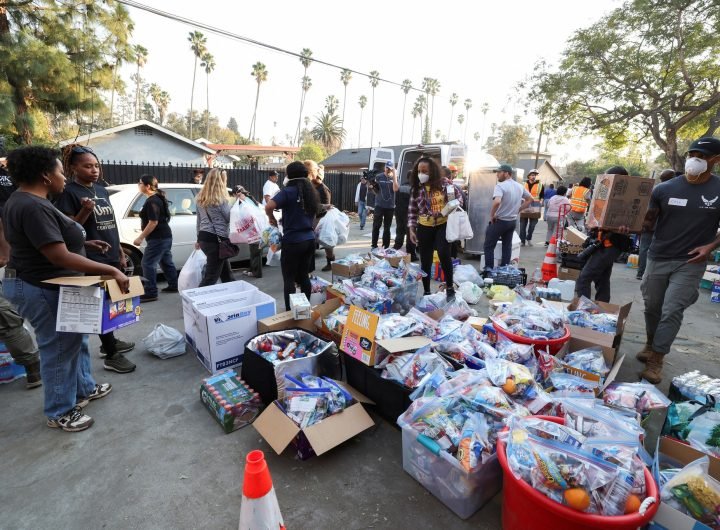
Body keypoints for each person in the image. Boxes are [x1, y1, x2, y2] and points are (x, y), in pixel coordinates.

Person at [3, 146, 128, 431]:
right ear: (46, 176)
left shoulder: (28, 201)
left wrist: (85, 244)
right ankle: (60, 410)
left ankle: (84, 388)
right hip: (40, 286)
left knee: (75, 339)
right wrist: (111, 269)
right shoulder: (31, 205)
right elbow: (57, 255)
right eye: (60, 172)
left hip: (51, 282)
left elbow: (48, 242)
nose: (63, 177)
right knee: (59, 347)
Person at [637, 137, 720, 384]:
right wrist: (626, 224)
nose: (695, 159)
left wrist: (711, 246)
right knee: (652, 306)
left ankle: (656, 360)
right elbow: (647, 224)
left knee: (672, 310)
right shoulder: (664, 189)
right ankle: (651, 343)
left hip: (691, 262)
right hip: (658, 256)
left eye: (702, 155)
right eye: (692, 153)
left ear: (716, 160)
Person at [55, 144, 136, 374]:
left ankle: (109, 341)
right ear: (73, 168)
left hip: (110, 253)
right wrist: (86, 211)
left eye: (96, 166)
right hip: (90, 257)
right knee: (99, 304)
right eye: (87, 166)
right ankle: (111, 354)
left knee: (110, 301)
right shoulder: (69, 192)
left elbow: (111, 223)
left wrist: (120, 251)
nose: (94, 170)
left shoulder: (100, 189)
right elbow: (70, 231)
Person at [0, 154, 41, 388]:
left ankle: (31, 367)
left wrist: (5, 255)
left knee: (7, 320)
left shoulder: (8, 182)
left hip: (11, 265)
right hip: (13, 265)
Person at [265, 161, 322, 311]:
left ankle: (290, 313)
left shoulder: (288, 191)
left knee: (289, 279)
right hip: (309, 240)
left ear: (289, 175)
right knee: (304, 276)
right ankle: (304, 311)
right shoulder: (311, 191)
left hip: (293, 241)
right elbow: (318, 213)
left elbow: (269, 206)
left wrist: (271, 218)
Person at [407, 157, 464, 300]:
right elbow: (412, 211)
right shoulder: (416, 188)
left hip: (443, 224)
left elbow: (458, 199)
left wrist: (445, 210)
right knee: (425, 260)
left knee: (444, 253)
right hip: (424, 227)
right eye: (419, 171)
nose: (421, 174)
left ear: (432, 171)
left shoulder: (444, 184)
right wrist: (412, 230)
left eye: (425, 171)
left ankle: (450, 287)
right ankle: (427, 291)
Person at [575, 166, 633, 303]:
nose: (607, 180)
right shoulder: (607, 193)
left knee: (584, 278)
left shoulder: (627, 198)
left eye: (610, 178)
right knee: (602, 279)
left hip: (611, 244)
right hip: (602, 242)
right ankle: (602, 310)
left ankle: (584, 312)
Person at [133, 175, 178, 302]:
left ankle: (151, 292)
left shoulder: (152, 201)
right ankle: (174, 285)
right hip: (164, 236)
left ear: (147, 186)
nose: (138, 185)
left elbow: (153, 222)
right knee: (165, 261)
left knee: (147, 263)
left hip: (158, 238)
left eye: (140, 183)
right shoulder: (157, 198)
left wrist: (140, 238)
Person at [484, 164, 533, 269]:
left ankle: (489, 271)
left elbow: (497, 201)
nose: (497, 174)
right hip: (512, 221)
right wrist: (518, 209)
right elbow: (530, 199)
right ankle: (504, 270)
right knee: (507, 247)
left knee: (488, 246)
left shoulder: (500, 186)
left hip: (500, 221)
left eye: (499, 172)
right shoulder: (519, 186)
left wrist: (492, 215)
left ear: (506, 173)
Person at [195, 168, 235, 286]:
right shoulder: (221, 200)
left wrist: (198, 239)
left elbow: (199, 221)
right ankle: (197, 300)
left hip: (204, 238)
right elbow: (229, 218)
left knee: (225, 272)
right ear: (222, 181)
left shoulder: (199, 198)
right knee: (210, 277)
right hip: (216, 240)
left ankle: (232, 289)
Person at [636, 169, 676, 279]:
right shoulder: (673, 191)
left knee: (644, 249)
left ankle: (641, 273)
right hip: (662, 227)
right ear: (672, 178)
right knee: (656, 251)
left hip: (648, 225)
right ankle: (651, 274)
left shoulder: (654, 189)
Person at [306, 161, 334, 272]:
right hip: (314, 218)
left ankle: (330, 262)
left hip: (322, 219)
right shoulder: (311, 187)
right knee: (316, 242)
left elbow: (327, 206)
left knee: (327, 243)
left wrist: (318, 218)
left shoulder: (323, 189)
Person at [234, 185, 263, 278]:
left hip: (253, 228)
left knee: (255, 252)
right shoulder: (250, 197)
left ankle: (257, 273)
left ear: (237, 194)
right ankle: (252, 270)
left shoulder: (243, 201)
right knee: (255, 251)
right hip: (258, 227)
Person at [370, 161, 399, 249]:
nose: (388, 170)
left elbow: (395, 189)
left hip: (390, 207)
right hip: (379, 205)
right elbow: (376, 191)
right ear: (384, 168)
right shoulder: (379, 177)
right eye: (387, 168)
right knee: (376, 226)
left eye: (390, 168)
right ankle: (374, 245)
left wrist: (394, 176)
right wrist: (372, 187)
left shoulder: (395, 178)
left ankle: (385, 246)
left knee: (387, 227)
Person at [394, 170, 417, 260]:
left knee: (399, 231)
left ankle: (396, 249)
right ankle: (411, 255)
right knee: (410, 233)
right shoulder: (414, 188)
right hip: (409, 214)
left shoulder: (401, 186)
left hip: (399, 212)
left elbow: (395, 200)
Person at [519, 169, 544, 246]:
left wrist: (541, 203)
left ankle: (529, 238)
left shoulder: (540, 185)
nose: (534, 176)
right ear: (528, 176)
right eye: (532, 175)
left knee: (532, 225)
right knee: (522, 225)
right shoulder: (523, 184)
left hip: (535, 206)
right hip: (525, 205)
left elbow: (542, 196)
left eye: (535, 175)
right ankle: (522, 241)